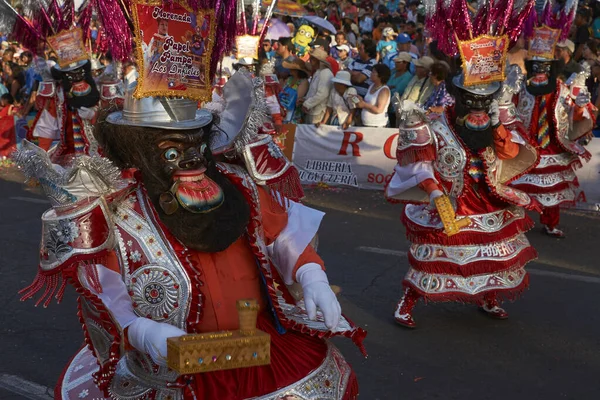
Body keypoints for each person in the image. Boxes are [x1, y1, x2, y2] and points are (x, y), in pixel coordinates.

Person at [16, 71, 365, 400]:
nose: (190, 163)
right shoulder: (119, 210)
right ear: (141, 150)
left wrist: (311, 274)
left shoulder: (238, 185)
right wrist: (140, 331)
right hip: (169, 363)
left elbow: (281, 232)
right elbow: (103, 290)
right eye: (171, 152)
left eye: (195, 146)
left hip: (257, 345)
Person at [511, 13, 595, 238]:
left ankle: (550, 223)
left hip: (552, 145)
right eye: (536, 67)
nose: (540, 72)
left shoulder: (561, 89)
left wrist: (580, 106)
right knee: (521, 186)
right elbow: (511, 112)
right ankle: (518, 222)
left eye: (544, 68)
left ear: (551, 69)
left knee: (553, 190)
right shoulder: (522, 89)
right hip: (527, 145)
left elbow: (573, 113)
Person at [302, 48, 334, 124]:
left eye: (312, 58)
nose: (310, 60)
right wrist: (304, 100)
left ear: (317, 60)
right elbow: (313, 91)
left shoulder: (325, 73)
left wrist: (307, 104)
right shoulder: (318, 72)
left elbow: (322, 94)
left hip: (318, 112)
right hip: (313, 110)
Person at [280, 56, 310, 123]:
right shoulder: (289, 79)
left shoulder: (304, 82)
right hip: (283, 110)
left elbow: (298, 97)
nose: (290, 69)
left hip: (294, 112)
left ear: (298, 71)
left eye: (292, 69)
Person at [0, 93, 16, 158]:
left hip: (6, 130)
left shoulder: (9, 107)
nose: (1, 101)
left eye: (2, 100)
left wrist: (10, 108)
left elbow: (8, 115)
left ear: (6, 100)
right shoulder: (5, 108)